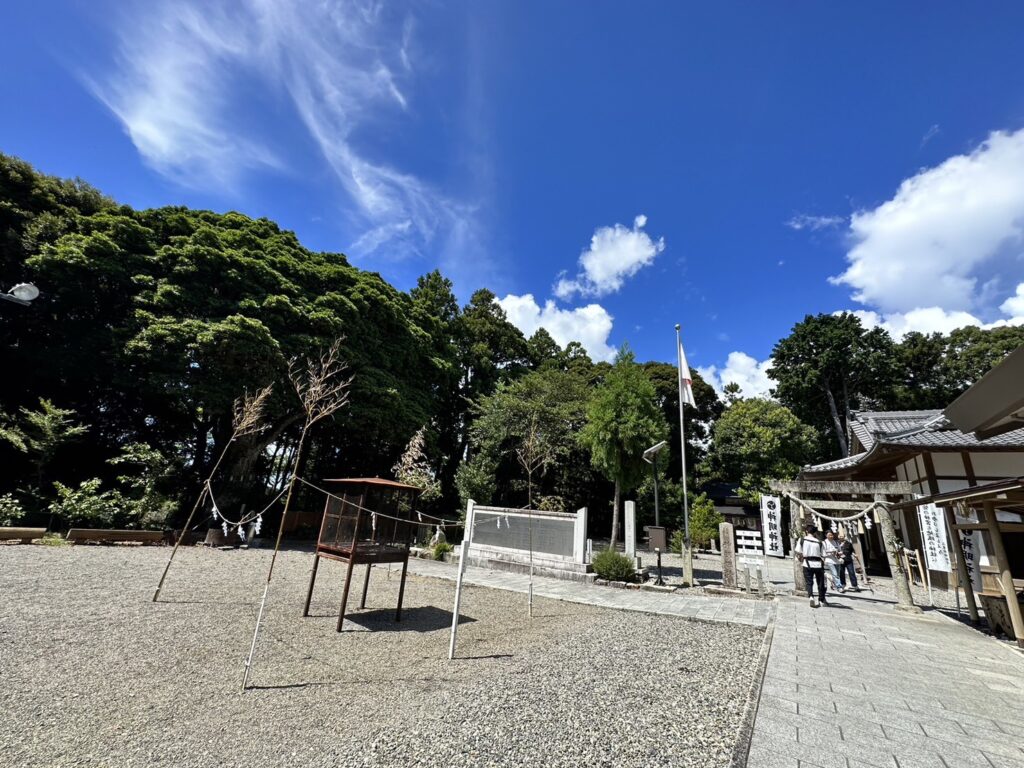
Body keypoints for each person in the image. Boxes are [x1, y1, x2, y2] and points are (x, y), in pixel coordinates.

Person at [796, 523, 827, 607]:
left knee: (809, 582)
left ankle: (811, 597)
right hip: (818, 564)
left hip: (807, 563)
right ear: (814, 532)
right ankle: (821, 600)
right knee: (820, 582)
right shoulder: (820, 542)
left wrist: (800, 558)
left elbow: (798, 552)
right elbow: (823, 555)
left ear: (806, 531)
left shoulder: (802, 540)